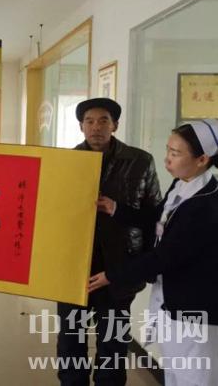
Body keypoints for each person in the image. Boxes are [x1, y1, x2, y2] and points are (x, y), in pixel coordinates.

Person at [89, 119, 218, 386]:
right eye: (168, 150)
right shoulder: (182, 184)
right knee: (174, 373)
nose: (167, 159)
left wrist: (112, 276)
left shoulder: (204, 206)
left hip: (195, 311)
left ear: (202, 159)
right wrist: (115, 209)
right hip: (173, 303)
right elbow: (157, 218)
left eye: (175, 153)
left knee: (193, 377)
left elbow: (164, 257)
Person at [56, 98, 161, 385]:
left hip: (118, 266)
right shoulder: (66, 162)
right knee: (70, 341)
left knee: (113, 343)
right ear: (81, 127)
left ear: (115, 125)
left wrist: (145, 266)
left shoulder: (140, 161)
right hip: (74, 266)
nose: (96, 127)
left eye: (103, 120)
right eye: (89, 121)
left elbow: (155, 215)